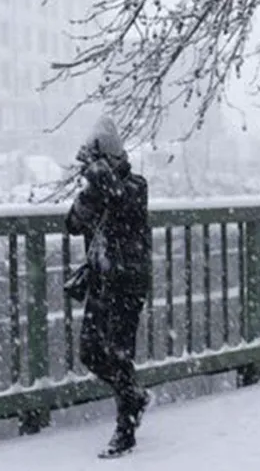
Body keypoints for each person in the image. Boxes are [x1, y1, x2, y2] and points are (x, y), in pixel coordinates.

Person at [66, 116, 152, 458]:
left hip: (127, 282)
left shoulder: (135, 186)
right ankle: (133, 395)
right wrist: (89, 192)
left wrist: (102, 180)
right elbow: (72, 224)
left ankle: (125, 429)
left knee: (120, 352)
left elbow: (122, 202)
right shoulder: (95, 191)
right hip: (101, 281)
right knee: (90, 352)